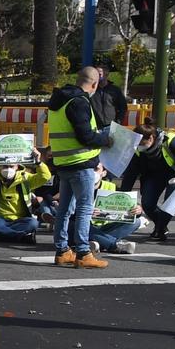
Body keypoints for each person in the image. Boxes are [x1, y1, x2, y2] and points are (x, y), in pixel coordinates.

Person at [46, 65, 114, 270]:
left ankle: (62, 250)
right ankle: (83, 252)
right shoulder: (79, 102)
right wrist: (105, 140)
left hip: (63, 163)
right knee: (84, 209)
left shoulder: (59, 101)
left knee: (65, 210)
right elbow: (86, 136)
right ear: (93, 84)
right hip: (81, 162)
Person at [121, 123, 175, 243]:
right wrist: (123, 194)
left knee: (171, 205)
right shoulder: (137, 149)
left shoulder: (170, 140)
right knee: (147, 204)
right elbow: (131, 173)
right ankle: (160, 225)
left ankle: (160, 229)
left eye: (142, 144)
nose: (139, 147)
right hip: (154, 175)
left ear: (151, 138)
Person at [0, 155, 48, 245]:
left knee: (33, 223)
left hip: (19, 220)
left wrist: (38, 162)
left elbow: (45, 177)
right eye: (5, 166)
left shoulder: (25, 178)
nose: (8, 170)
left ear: (17, 166)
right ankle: (21, 237)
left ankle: (2, 235)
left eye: (11, 166)